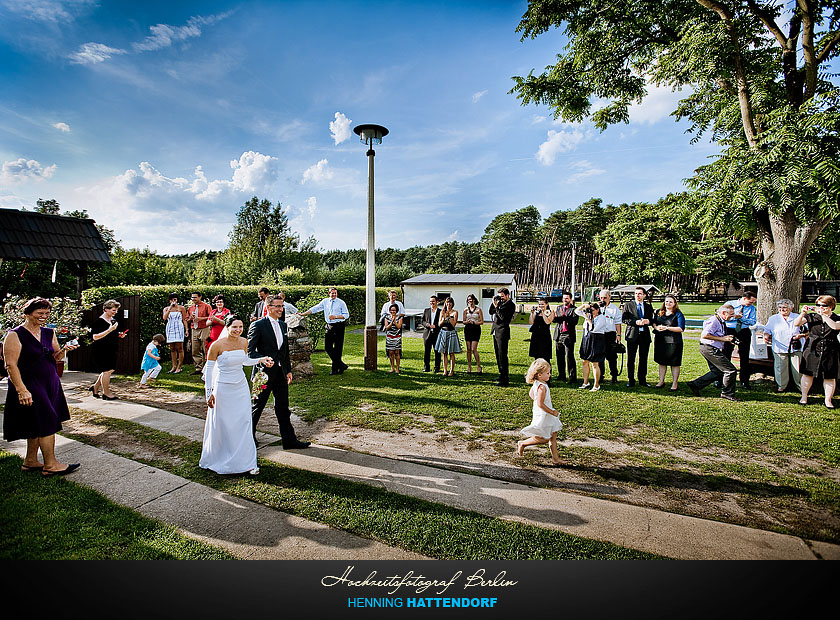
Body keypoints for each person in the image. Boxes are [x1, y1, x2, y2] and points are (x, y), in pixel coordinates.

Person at [2, 297, 80, 476]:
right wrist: (21, 390)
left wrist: (65, 351)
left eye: (47, 313)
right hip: (29, 384)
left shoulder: (49, 333)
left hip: (50, 382)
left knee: (36, 421)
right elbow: (10, 365)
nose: (44, 316)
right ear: (27, 313)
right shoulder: (14, 334)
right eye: (40, 313)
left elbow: (55, 358)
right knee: (47, 421)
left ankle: (30, 461)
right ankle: (51, 465)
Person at [201, 315, 275, 475]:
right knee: (224, 423)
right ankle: (221, 458)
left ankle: (247, 461)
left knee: (243, 421)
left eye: (241, 327)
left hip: (240, 387)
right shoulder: (216, 345)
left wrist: (261, 359)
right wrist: (209, 393)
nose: (238, 330)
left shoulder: (244, 342)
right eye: (235, 327)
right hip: (222, 388)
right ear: (227, 327)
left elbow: (244, 361)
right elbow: (208, 371)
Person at [249, 296, 310, 449]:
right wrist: (263, 358)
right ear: (268, 307)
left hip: (280, 374)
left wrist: (288, 370)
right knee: (257, 407)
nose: (281, 309)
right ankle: (248, 437)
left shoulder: (283, 325)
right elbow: (249, 352)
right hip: (263, 374)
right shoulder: (258, 325)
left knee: (283, 407)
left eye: (282, 306)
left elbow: (284, 351)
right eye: (277, 306)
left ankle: (289, 440)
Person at [794, 295, 840, 409]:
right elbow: (796, 323)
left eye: (823, 306)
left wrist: (824, 315)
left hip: (830, 349)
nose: (820, 308)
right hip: (812, 348)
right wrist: (803, 313)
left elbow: (835, 327)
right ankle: (804, 397)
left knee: (829, 376)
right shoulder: (812, 317)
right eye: (818, 305)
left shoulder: (836, 318)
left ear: (830, 306)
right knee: (808, 373)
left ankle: (828, 400)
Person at [687, 304, 739, 402]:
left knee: (718, 371)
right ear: (724, 313)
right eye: (731, 315)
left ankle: (695, 385)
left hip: (709, 348)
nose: (732, 317)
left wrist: (727, 339)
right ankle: (727, 393)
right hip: (709, 348)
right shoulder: (714, 321)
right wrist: (722, 339)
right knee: (730, 370)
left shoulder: (720, 321)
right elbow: (705, 335)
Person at [516, 358, 562, 466]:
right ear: (539, 375)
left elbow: (531, 395)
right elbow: (540, 404)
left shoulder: (537, 384)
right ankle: (523, 443)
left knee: (553, 435)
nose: (549, 375)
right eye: (547, 373)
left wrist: (537, 399)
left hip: (547, 413)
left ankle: (555, 458)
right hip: (544, 414)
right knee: (545, 438)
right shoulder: (542, 387)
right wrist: (552, 411)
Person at [298, 287, 350, 375]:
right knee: (328, 347)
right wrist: (303, 314)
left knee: (338, 348)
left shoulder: (341, 303)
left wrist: (336, 317)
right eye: (332, 293)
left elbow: (346, 315)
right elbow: (315, 308)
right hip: (329, 326)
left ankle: (335, 369)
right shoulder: (325, 302)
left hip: (339, 326)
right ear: (329, 293)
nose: (334, 295)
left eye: (335, 293)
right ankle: (341, 365)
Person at [756, 299, 804, 393]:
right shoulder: (773, 318)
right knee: (780, 367)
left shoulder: (797, 317)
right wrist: (766, 336)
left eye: (784, 307)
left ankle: (801, 387)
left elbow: (807, 331)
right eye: (780, 307)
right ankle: (781, 386)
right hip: (779, 347)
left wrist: (800, 336)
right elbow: (767, 330)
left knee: (797, 368)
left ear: (791, 308)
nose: (782, 309)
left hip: (795, 346)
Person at [90, 299, 127, 400]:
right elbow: (95, 337)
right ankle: (106, 393)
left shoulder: (112, 320)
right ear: (106, 309)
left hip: (111, 348)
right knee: (107, 370)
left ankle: (95, 388)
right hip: (101, 349)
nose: (115, 312)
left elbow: (110, 335)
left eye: (116, 310)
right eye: (113, 310)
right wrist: (110, 330)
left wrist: (119, 335)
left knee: (108, 370)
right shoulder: (99, 322)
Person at [723, 291, 758, 389]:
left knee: (744, 356)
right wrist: (735, 317)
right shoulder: (730, 304)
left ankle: (744, 380)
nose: (752, 304)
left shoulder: (751, 308)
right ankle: (722, 379)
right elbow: (724, 317)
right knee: (726, 354)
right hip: (730, 330)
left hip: (744, 331)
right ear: (745, 298)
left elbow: (752, 321)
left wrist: (742, 319)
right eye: (751, 302)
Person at [622, 287, 654, 387]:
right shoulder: (628, 305)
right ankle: (631, 380)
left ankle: (642, 379)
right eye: (636, 293)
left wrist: (648, 321)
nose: (637, 295)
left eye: (640, 294)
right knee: (631, 358)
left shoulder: (648, 306)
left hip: (644, 335)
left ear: (644, 295)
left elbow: (652, 320)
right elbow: (624, 319)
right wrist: (635, 322)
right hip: (632, 335)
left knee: (643, 358)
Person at [653, 294, 686, 391]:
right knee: (661, 362)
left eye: (671, 302)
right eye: (666, 301)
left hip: (674, 342)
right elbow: (654, 322)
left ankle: (675, 383)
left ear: (675, 303)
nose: (668, 303)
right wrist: (656, 328)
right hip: (660, 341)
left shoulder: (678, 314)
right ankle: (661, 381)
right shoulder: (659, 312)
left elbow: (681, 328)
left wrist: (667, 328)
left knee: (674, 363)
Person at [576, 302, 607, 391]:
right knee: (585, 361)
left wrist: (588, 319)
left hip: (596, 340)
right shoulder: (588, 315)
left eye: (592, 310)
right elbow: (577, 311)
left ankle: (596, 385)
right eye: (590, 310)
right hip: (586, 339)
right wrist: (584, 306)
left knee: (595, 363)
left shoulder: (601, 318)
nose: (591, 312)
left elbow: (593, 329)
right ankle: (586, 382)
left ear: (598, 310)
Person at [489, 287, 516, 386]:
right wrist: (494, 303)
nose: (501, 298)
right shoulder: (499, 303)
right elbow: (490, 312)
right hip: (495, 331)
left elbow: (503, 317)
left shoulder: (511, 305)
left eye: (502, 296)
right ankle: (501, 374)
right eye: (499, 296)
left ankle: (505, 378)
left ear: (507, 295)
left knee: (502, 356)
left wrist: (497, 307)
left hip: (503, 332)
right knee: (497, 355)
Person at [597, 289, 622, 384]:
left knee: (611, 357)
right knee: (600, 356)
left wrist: (618, 335)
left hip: (610, 334)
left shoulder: (615, 309)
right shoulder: (598, 307)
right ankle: (600, 376)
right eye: (601, 297)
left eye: (605, 298)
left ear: (609, 297)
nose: (603, 299)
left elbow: (618, 323)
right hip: (599, 334)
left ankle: (614, 376)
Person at [552, 291, 578, 384]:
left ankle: (572, 377)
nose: (564, 300)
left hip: (568, 334)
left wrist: (564, 317)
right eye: (563, 298)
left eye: (566, 298)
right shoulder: (559, 308)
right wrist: (554, 317)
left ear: (570, 299)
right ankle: (561, 375)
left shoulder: (574, 309)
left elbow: (574, 321)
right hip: (559, 334)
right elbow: (555, 320)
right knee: (559, 356)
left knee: (569, 356)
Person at [435, 297, 462, 376]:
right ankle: (445, 370)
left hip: (451, 333)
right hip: (443, 332)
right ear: (445, 304)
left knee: (451, 352)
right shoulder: (442, 312)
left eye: (450, 303)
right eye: (447, 303)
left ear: (452, 304)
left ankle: (451, 370)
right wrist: (443, 318)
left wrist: (449, 317)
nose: (448, 304)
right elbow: (439, 324)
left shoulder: (455, 312)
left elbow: (454, 325)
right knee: (444, 353)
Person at [187, 291, 212, 375]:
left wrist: (201, 319)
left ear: (200, 297)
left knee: (205, 347)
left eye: (195, 297)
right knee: (195, 349)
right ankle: (198, 368)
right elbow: (187, 319)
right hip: (194, 329)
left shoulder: (206, 306)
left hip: (204, 328)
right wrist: (190, 318)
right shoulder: (190, 308)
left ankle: (208, 367)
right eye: (192, 297)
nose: (193, 299)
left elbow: (211, 317)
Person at [163, 294, 188, 374]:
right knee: (172, 348)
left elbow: (184, 320)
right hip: (170, 327)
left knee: (180, 347)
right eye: (172, 300)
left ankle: (179, 366)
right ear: (170, 301)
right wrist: (170, 308)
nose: (174, 301)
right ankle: (173, 366)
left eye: (175, 299)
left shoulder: (181, 308)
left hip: (179, 327)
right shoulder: (166, 309)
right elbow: (164, 318)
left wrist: (186, 330)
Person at [528, 298, 554, 366]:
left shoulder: (550, 313)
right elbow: (531, 322)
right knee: (537, 357)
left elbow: (547, 322)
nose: (540, 306)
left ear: (546, 304)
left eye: (542, 304)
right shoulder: (537, 313)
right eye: (539, 304)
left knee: (546, 358)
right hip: (536, 336)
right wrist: (532, 313)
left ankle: (547, 374)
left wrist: (543, 313)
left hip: (545, 337)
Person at [462, 294, 484, 374]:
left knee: (473, 349)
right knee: (468, 349)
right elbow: (463, 321)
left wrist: (474, 322)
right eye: (468, 300)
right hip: (468, 329)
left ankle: (479, 366)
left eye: (471, 299)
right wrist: (467, 322)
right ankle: (469, 366)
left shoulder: (478, 310)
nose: (469, 301)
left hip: (476, 329)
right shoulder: (465, 310)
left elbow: (482, 321)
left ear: (474, 300)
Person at [421, 295, 442, 373]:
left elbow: (442, 323)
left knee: (437, 352)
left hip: (437, 334)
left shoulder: (440, 311)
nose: (431, 303)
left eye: (433, 301)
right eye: (430, 301)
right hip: (427, 334)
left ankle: (437, 368)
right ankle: (426, 367)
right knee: (427, 352)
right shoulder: (426, 310)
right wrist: (426, 324)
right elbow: (422, 321)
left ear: (437, 302)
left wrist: (436, 326)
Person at [383, 303, 403, 373]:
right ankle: (392, 368)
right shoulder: (386, 318)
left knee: (397, 352)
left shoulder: (400, 318)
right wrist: (391, 321)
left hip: (397, 337)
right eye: (391, 310)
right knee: (391, 352)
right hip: (389, 337)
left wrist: (394, 320)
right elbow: (387, 327)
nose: (392, 312)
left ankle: (397, 368)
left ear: (396, 311)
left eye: (394, 310)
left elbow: (399, 327)